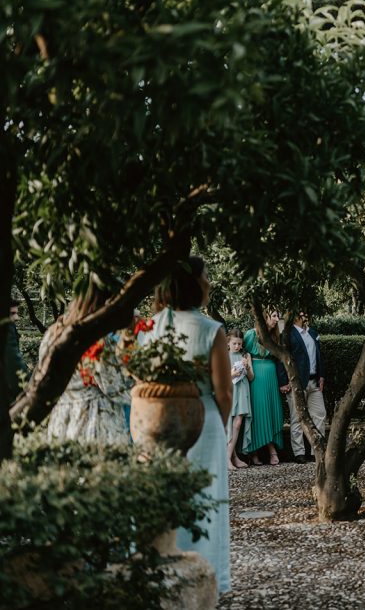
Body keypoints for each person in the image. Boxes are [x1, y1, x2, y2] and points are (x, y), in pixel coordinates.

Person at [146, 255, 232, 596]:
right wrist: (218, 425)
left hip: (157, 420)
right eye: (206, 275)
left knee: (165, 497)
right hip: (204, 421)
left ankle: (164, 576)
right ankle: (207, 579)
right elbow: (224, 392)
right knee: (207, 499)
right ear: (193, 283)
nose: (210, 281)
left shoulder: (149, 328)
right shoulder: (211, 329)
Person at [44, 290, 131, 444]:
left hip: (62, 415)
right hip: (94, 417)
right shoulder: (96, 339)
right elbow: (114, 386)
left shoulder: (52, 334)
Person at [278, 311, 327, 464]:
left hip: (314, 381)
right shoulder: (287, 334)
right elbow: (281, 358)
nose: (305, 314)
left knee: (320, 415)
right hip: (297, 382)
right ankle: (299, 452)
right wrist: (283, 381)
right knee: (297, 417)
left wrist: (321, 375)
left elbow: (319, 355)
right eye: (302, 311)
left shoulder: (312, 332)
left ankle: (316, 451)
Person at [242, 310, 283, 466]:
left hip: (271, 375)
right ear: (264, 317)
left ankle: (270, 448)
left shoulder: (276, 336)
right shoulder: (251, 334)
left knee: (272, 410)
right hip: (256, 376)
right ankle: (256, 451)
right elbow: (242, 354)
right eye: (274, 316)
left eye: (278, 316)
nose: (277, 319)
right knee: (259, 410)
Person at [226, 329, 253, 469]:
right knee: (228, 425)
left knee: (237, 424)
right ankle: (232, 458)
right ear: (228, 343)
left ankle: (227, 458)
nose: (237, 346)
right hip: (229, 390)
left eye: (239, 344)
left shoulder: (246, 355)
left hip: (242, 390)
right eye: (234, 343)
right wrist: (232, 374)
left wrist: (247, 368)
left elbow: (251, 377)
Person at [4, 295, 30, 402]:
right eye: (12, 313)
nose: (16, 318)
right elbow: (13, 361)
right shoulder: (5, 328)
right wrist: (27, 389)